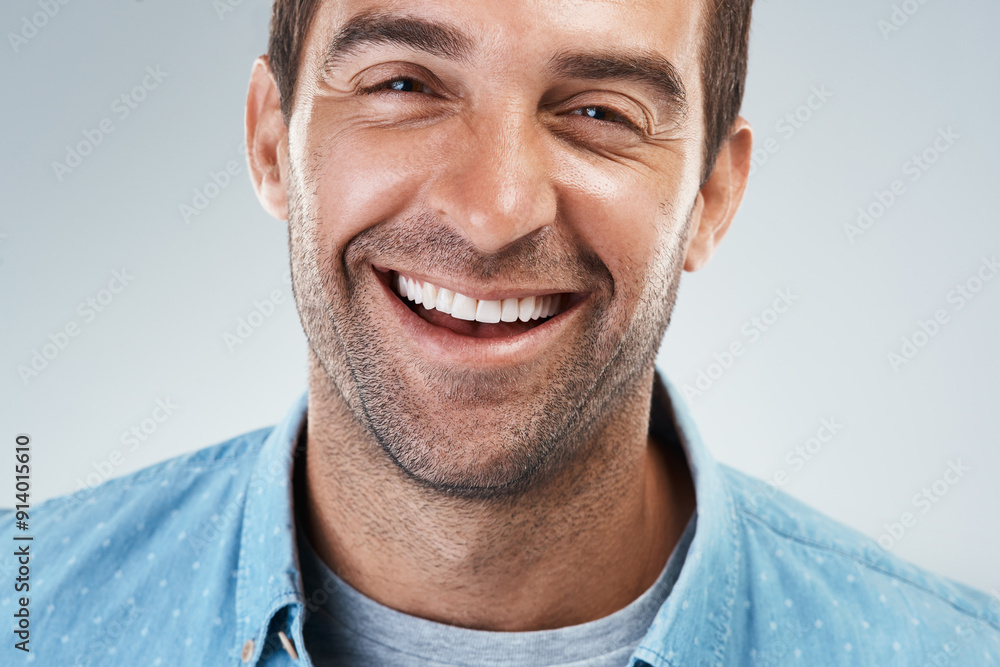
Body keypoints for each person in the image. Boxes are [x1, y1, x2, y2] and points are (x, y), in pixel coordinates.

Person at [5, 0, 999, 665]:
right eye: (404, 85)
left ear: (709, 198)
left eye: (599, 111)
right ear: (273, 139)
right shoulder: (29, 612)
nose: (490, 211)